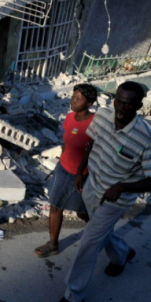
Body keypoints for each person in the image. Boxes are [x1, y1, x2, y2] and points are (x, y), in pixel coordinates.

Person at [54, 81, 151, 302]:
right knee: (98, 231)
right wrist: (80, 171)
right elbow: (91, 143)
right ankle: (121, 253)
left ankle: (73, 294)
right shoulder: (103, 116)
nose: (122, 108)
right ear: (113, 100)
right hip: (93, 185)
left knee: (89, 242)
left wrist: (123, 186)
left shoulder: (145, 138)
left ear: (139, 105)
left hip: (116, 199)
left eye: (129, 103)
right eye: (119, 101)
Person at [33, 84, 97, 258]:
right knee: (55, 205)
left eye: (78, 99)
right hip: (63, 169)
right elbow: (67, 142)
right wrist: (61, 162)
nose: (73, 101)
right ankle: (53, 244)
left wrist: (80, 174)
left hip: (82, 175)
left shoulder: (95, 123)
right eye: (73, 97)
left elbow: (91, 150)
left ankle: (102, 232)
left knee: (82, 212)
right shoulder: (70, 117)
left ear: (90, 103)